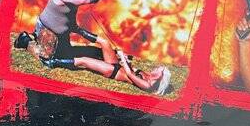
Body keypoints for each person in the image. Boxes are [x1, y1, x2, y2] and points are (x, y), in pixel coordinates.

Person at [32, 32, 172, 95]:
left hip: (113, 71)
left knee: (84, 60)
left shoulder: (148, 85)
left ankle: (52, 62)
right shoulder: (147, 75)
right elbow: (132, 69)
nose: (156, 68)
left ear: (161, 76)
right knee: (104, 42)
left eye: (159, 70)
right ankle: (77, 29)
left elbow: (129, 75)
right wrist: (125, 59)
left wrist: (123, 60)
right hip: (117, 65)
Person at [32, 0, 108, 61]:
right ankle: (26, 41)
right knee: (56, 58)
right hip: (47, 33)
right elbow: (80, 0)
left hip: (62, 34)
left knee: (69, 53)